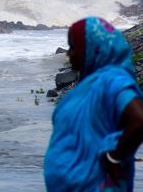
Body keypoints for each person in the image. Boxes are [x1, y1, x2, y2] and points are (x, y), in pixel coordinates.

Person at [44, 17, 143, 191]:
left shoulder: (113, 81)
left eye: (74, 47)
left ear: (94, 48)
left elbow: (139, 119)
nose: (69, 54)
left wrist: (114, 156)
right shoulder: (87, 87)